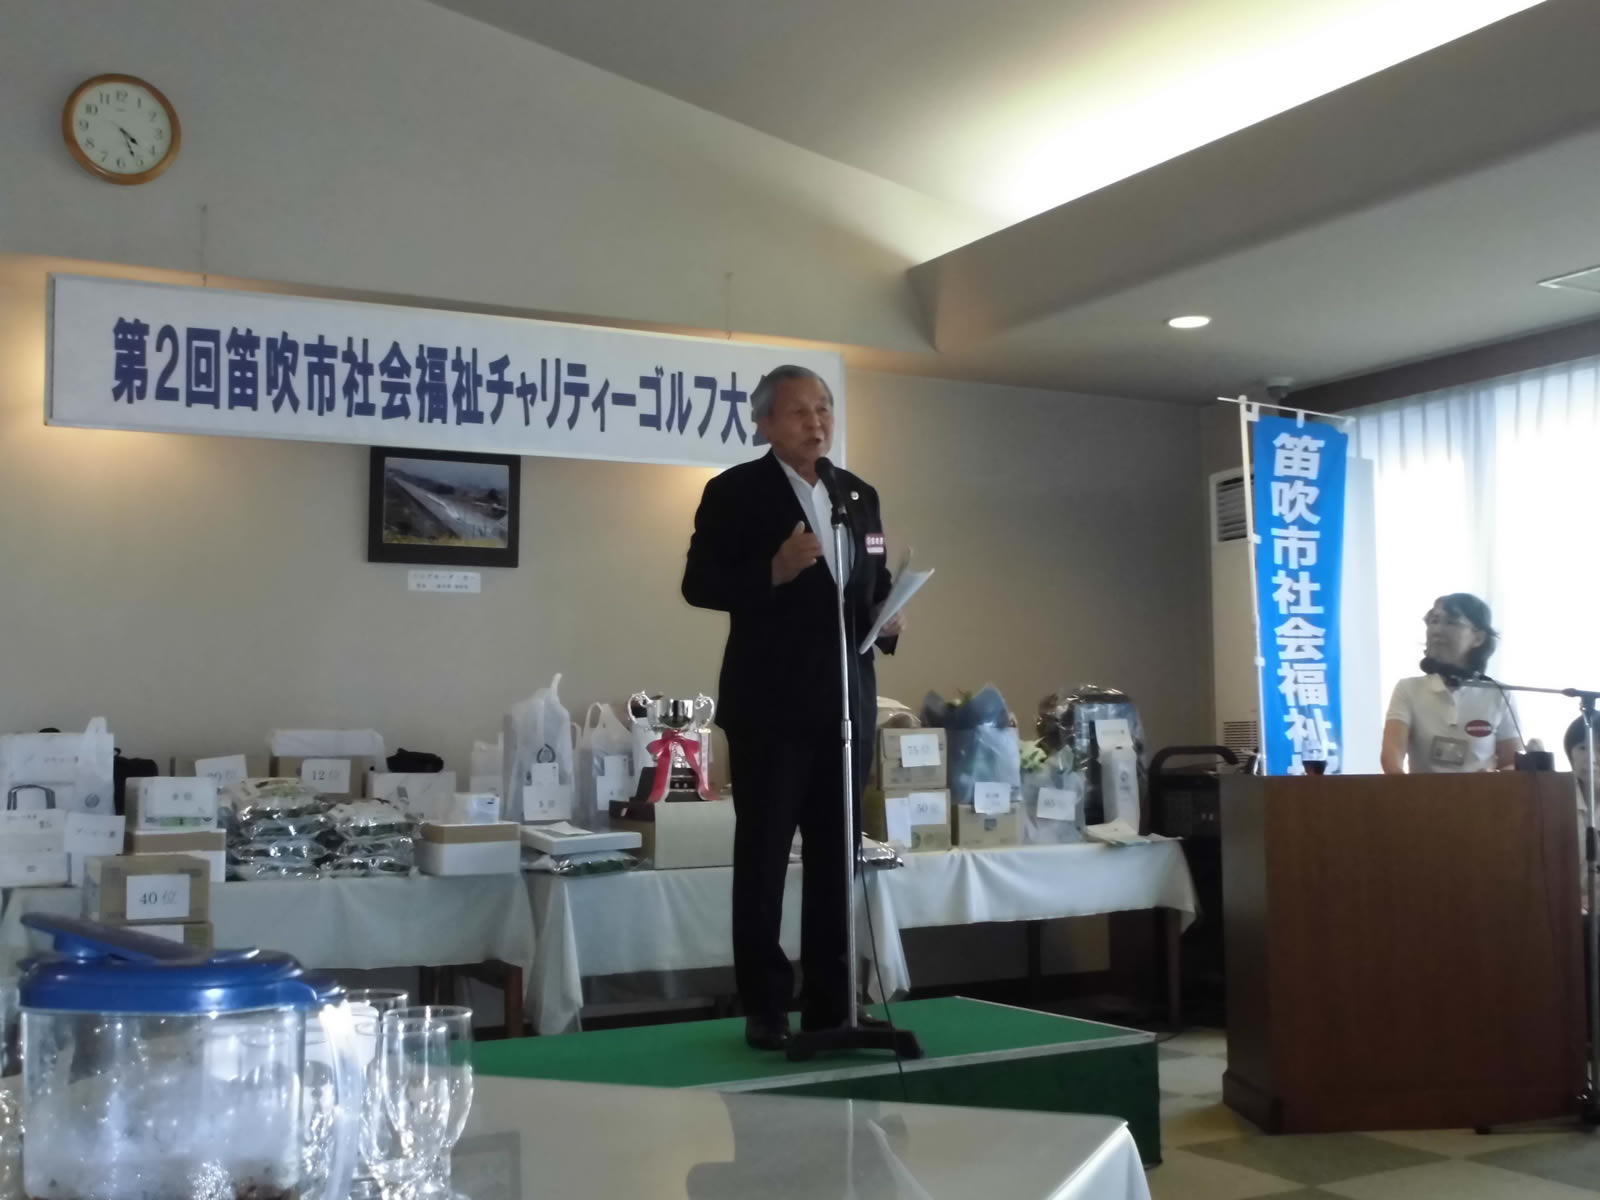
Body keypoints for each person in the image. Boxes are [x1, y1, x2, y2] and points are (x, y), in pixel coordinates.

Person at [681, 365, 901, 1050]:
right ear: (765, 422)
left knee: (838, 861)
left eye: (824, 409)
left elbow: (872, 578)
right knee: (765, 861)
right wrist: (772, 572)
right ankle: (766, 1006)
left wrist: (888, 617)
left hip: (846, 705)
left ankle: (833, 1004)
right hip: (771, 708)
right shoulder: (735, 492)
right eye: (801, 411)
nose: (816, 422)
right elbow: (699, 583)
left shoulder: (856, 494)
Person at [1380, 592, 1521, 774]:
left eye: (1451, 623)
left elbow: (1513, 763)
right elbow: (1391, 757)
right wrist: (1405, 789)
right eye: (1434, 621)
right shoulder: (1408, 689)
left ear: (1478, 638)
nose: (1437, 630)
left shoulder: (1499, 694)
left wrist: (1493, 778)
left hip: (1482, 792)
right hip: (1421, 792)